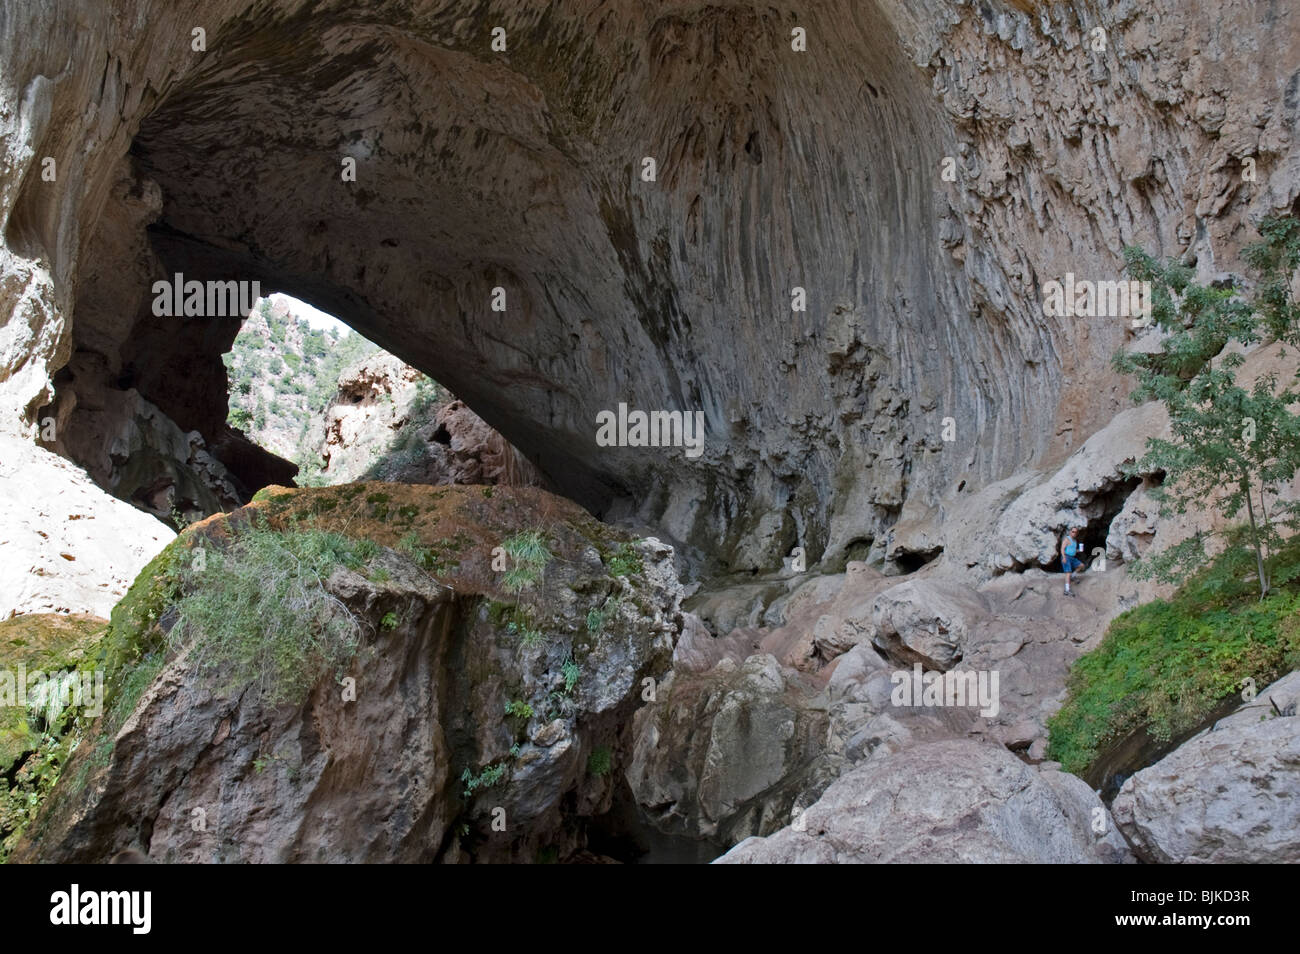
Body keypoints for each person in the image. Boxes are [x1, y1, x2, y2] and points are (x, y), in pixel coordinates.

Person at [1060, 526, 1084, 596]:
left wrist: (1079, 550)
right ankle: (1067, 590)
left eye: (1076, 532)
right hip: (1066, 556)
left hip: (1072, 557)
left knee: (1081, 565)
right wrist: (1063, 557)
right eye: (1073, 531)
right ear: (1070, 532)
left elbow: (1073, 550)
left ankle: (1073, 576)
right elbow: (1062, 548)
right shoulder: (1067, 539)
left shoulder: (1075, 541)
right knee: (1068, 572)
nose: (1074, 533)